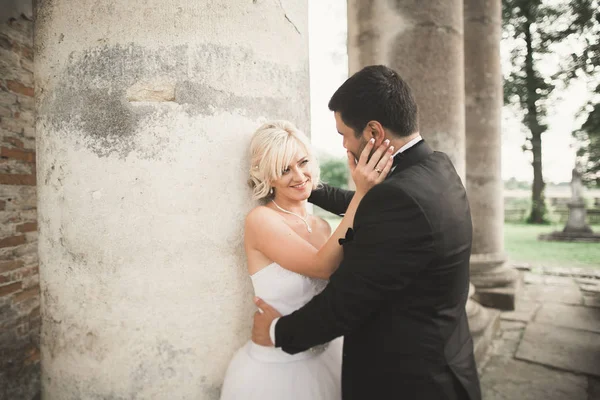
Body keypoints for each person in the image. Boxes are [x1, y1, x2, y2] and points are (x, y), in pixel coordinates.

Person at [252, 65, 482, 400]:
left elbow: (345, 303)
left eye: (344, 133)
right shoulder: (434, 167)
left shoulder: (397, 198)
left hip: (410, 382)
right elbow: (373, 207)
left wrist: (276, 330)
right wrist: (304, 184)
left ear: (373, 132)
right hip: (447, 358)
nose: (344, 144)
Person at [219, 120, 394, 400]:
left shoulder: (323, 227)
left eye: (303, 162)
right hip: (276, 370)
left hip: (328, 356)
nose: (299, 175)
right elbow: (322, 266)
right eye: (284, 169)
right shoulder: (261, 220)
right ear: (268, 176)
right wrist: (361, 194)